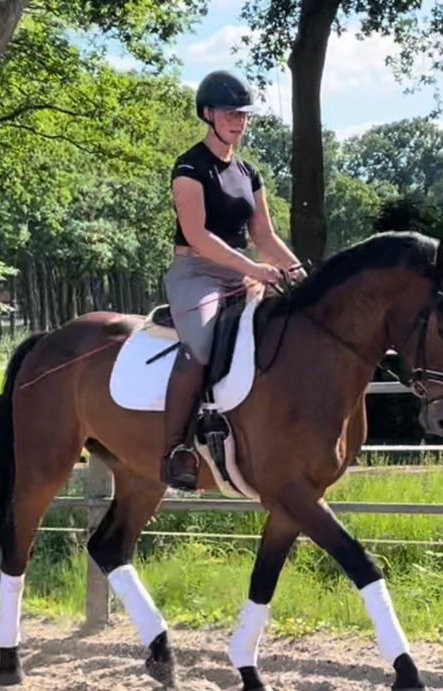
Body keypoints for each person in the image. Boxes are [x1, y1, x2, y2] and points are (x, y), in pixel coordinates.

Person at [161, 70, 304, 490]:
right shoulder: (190, 166)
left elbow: (264, 236)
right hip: (196, 272)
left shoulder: (249, 172)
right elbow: (197, 236)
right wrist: (254, 269)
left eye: (243, 115)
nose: (239, 122)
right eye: (230, 114)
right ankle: (176, 449)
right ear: (208, 114)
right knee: (202, 343)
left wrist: (300, 275)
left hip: (240, 270)